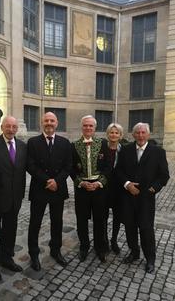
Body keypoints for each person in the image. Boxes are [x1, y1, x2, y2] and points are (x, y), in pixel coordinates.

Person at [116, 122, 170, 273]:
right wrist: (127, 184)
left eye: (143, 132)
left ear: (148, 134)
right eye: (137, 133)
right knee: (129, 227)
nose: (140, 135)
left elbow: (164, 175)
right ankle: (134, 252)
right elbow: (118, 171)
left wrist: (154, 188)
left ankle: (150, 259)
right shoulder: (125, 150)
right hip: (128, 197)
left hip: (146, 198)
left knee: (146, 229)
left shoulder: (158, 152)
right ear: (133, 135)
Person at [27, 112, 72, 271]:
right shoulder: (32, 142)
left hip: (57, 189)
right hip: (40, 188)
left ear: (57, 123)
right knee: (35, 223)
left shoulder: (65, 142)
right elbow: (30, 166)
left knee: (57, 222)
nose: (49, 123)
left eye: (52, 120)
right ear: (42, 122)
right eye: (46, 120)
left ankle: (55, 250)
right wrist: (47, 180)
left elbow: (68, 166)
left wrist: (56, 181)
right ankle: (33, 254)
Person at [0, 116, 27, 283]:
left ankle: (7, 258)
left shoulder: (23, 146)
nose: (11, 129)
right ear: (1, 127)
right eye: (7, 126)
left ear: (17, 129)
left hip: (15, 198)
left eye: (14, 126)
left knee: (10, 230)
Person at [71, 115, 110, 263]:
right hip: (82, 188)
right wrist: (80, 182)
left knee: (100, 219)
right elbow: (71, 168)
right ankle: (84, 246)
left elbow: (108, 166)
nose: (88, 128)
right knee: (81, 219)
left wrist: (99, 182)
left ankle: (100, 248)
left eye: (90, 126)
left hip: (99, 188)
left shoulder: (103, 144)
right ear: (82, 127)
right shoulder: (74, 145)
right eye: (85, 125)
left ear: (95, 128)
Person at [103, 123, 124, 255]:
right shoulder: (101, 148)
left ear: (120, 135)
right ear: (107, 134)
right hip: (104, 188)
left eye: (117, 133)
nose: (114, 135)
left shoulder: (125, 150)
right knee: (102, 216)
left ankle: (114, 240)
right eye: (111, 132)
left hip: (119, 189)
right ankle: (103, 240)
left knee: (117, 216)